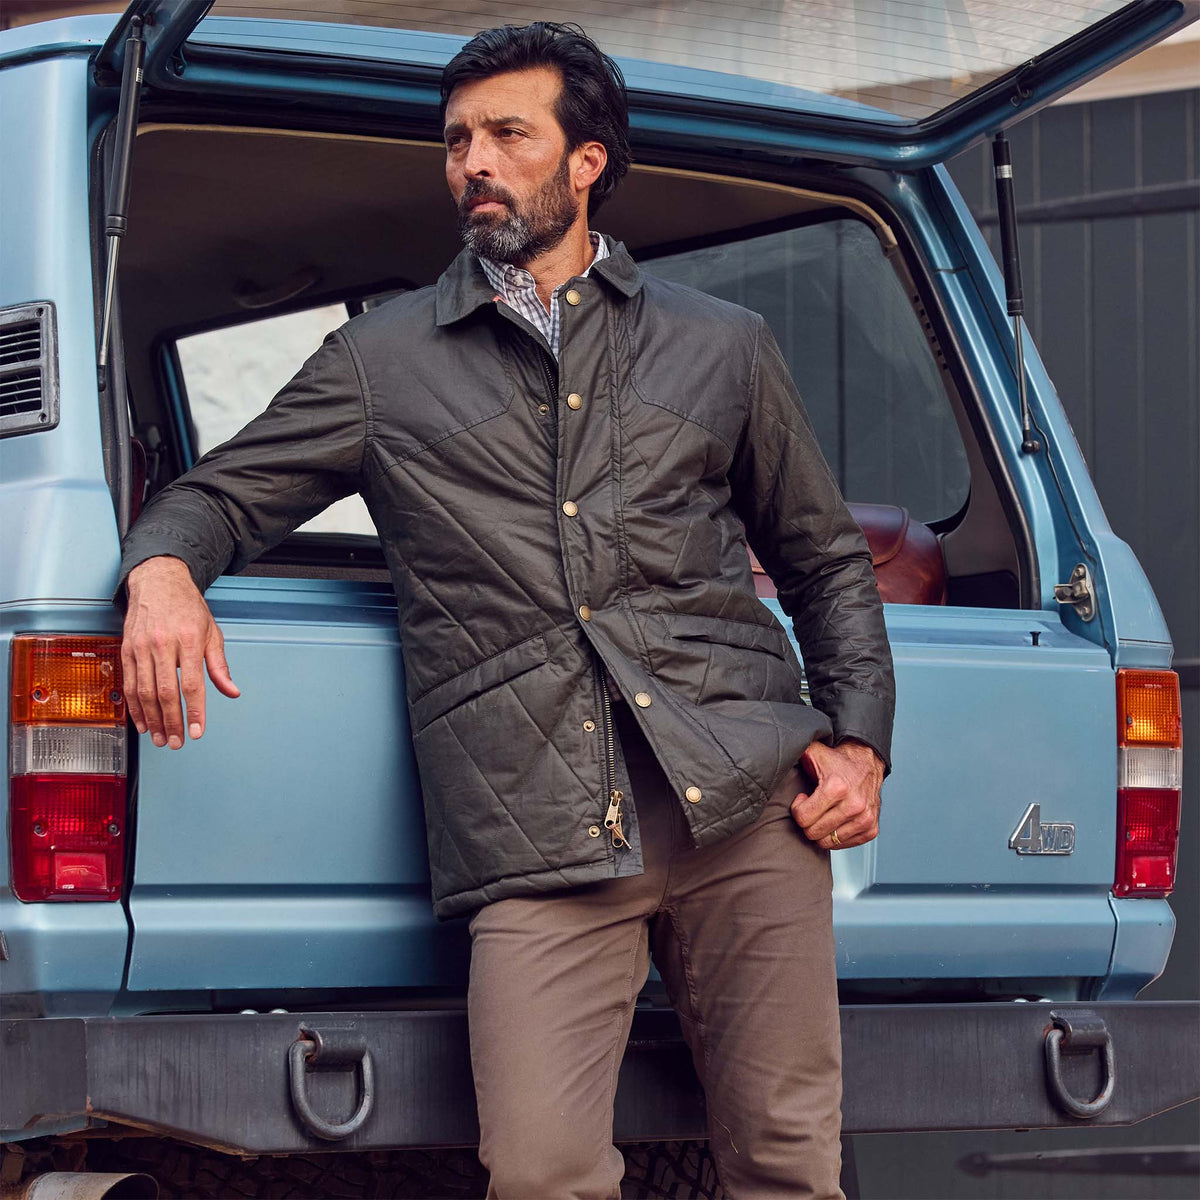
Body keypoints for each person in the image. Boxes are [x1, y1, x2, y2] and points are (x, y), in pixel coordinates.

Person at [117, 22, 895, 1200]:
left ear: (586, 161)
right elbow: (217, 496)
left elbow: (826, 559)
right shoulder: (381, 364)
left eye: (506, 134)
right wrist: (163, 574)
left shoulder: (723, 345)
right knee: (538, 1175)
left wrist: (860, 736)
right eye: (457, 141)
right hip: (533, 832)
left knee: (790, 1160)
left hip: (746, 806)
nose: (473, 161)